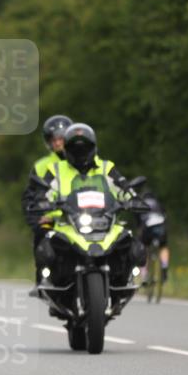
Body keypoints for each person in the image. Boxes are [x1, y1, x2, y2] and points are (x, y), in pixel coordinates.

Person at [31, 123, 142, 287]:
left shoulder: (106, 167)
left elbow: (122, 186)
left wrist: (133, 198)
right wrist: (42, 202)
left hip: (105, 219)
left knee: (128, 239)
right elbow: (44, 190)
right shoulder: (55, 169)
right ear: (67, 149)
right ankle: (46, 281)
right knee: (46, 240)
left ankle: (126, 277)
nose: (80, 152)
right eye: (75, 148)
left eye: (84, 148)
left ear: (93, 148)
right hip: (67, 221)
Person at [21, 115, 72, 282]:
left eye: (61, 138)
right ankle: (42, 278)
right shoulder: (41, 165)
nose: (57, 143)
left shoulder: (82, 160)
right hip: (53, 217)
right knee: (42, 233)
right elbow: (30, 196)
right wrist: (35, 219)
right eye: (53, 139)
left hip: (78, 214)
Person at [137, 190, 169, 282]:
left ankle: (144, 274)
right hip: (160, 226)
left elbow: (139, 224)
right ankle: (164, 266)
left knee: (144, 249)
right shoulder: (159, 204)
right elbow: (165, 216)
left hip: (147, 228)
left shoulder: (141, 204)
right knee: (163, 247)